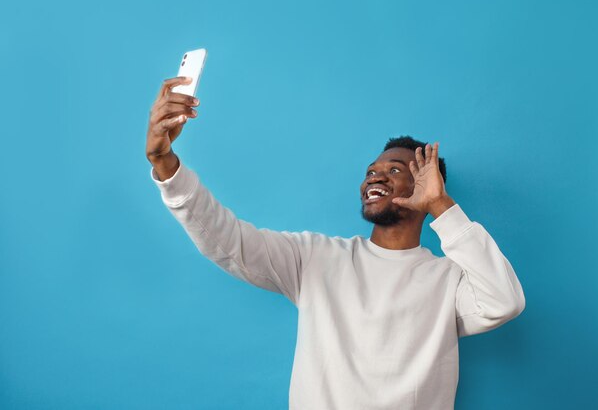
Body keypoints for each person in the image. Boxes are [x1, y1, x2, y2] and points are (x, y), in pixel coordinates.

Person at [145, 77, 526, 410]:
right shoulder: (315, 258)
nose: (376, 177)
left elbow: (504, 301)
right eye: (371, 171)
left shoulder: (448, 280)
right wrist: (165, 164)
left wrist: (443, 208)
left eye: (395, 170)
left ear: (426, 187)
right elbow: (227, 241)